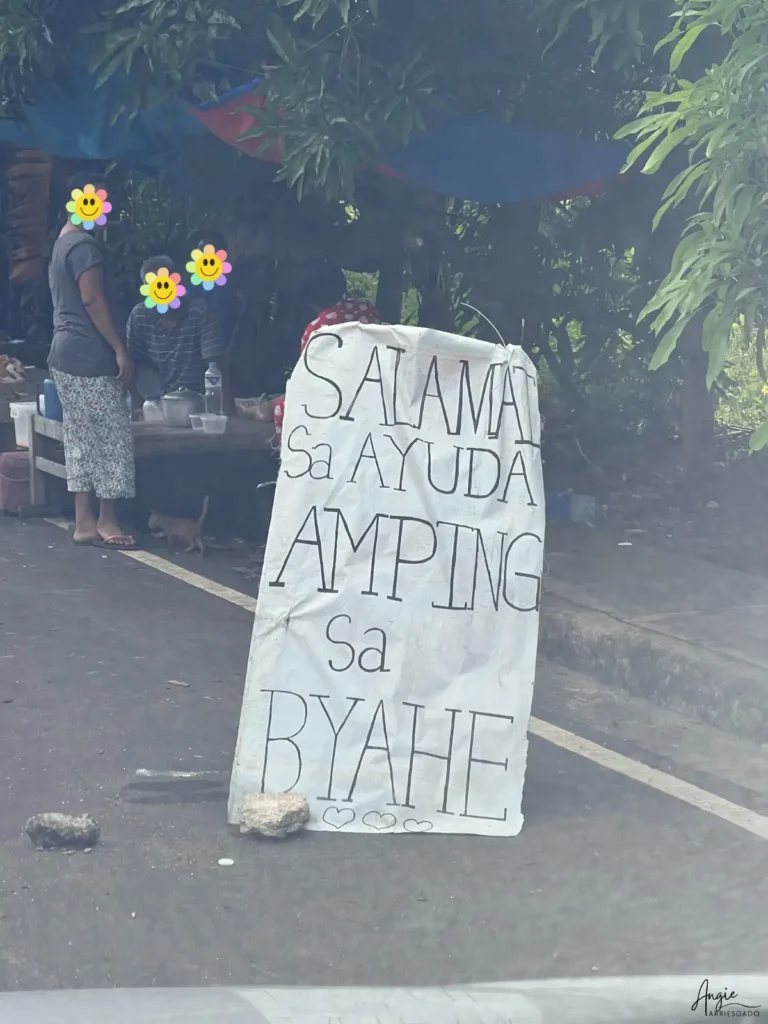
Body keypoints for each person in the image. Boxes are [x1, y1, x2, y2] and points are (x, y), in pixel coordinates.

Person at [48, 171, 137, 549]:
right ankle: (106, 518)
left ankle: (84, 521)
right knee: (111, 437)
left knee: (82, 438)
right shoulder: (84, 248)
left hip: (64, 352)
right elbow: (92, 299)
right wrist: (118, 347)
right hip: (88, 353)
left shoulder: (62, 242)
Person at [273, 264, 383, 443]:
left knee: (283, 408)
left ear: (305, 297)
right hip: (374, 393)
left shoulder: (318, 329)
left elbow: (310, 377)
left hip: (338, 400)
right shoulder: (366, 309)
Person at [126, 255, 226, 396]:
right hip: (160, 398)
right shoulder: (140, 315)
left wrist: (224, 410)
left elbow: (216, 364)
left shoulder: (200, 310)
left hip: (201, 397)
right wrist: (139, 406)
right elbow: (133, 363)